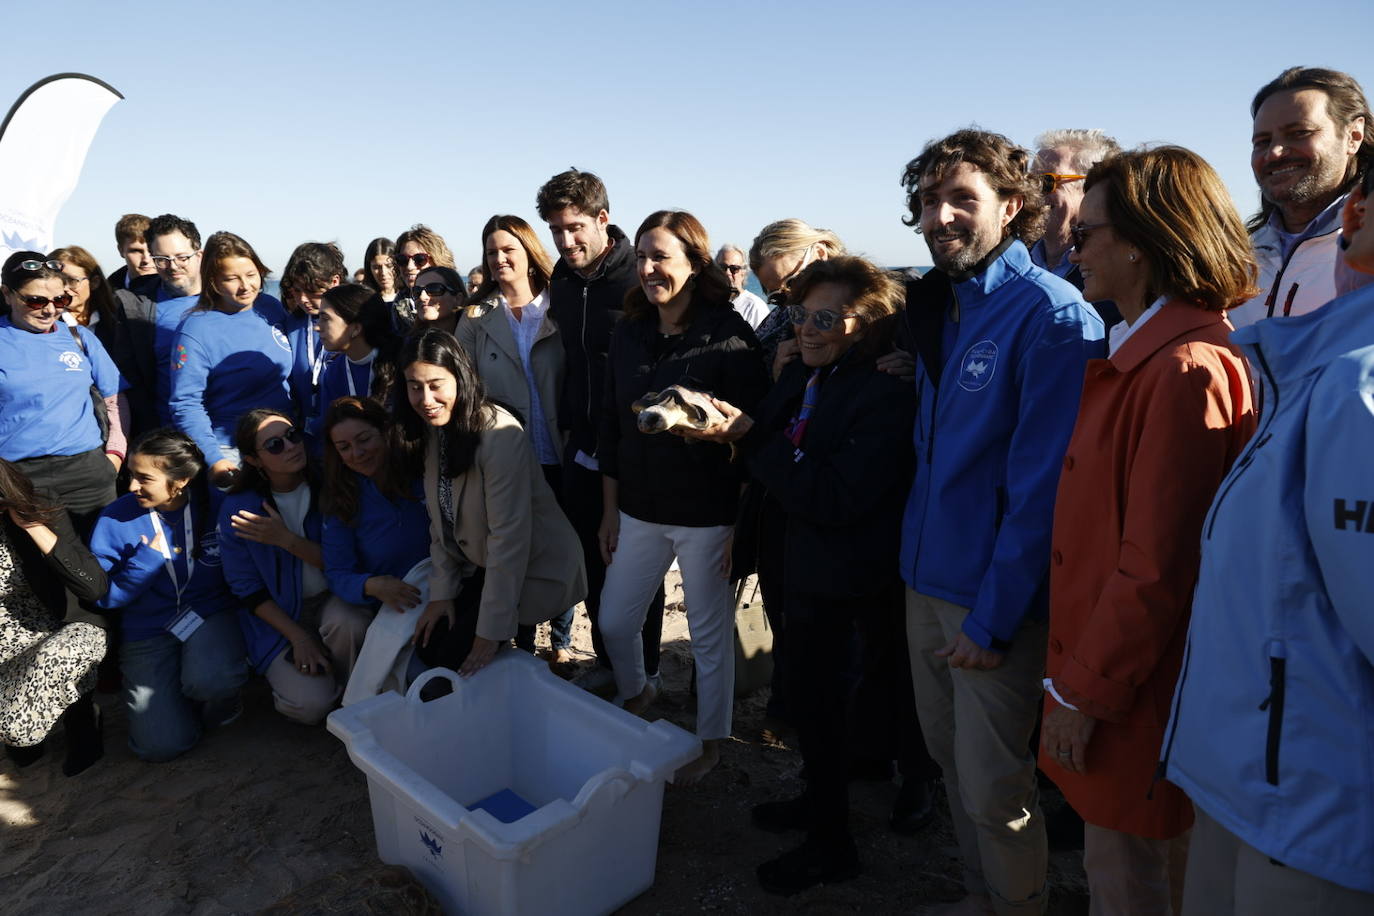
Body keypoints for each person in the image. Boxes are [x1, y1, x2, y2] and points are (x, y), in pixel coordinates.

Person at [1039, 147, 1258, 915]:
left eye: (1087, 233)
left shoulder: (1183, 370)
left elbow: (1160, 566)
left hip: (1140, 700)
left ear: (1140, 240)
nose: (1074, 248)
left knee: (1138, 885)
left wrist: (1082, 693)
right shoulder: (1158, 359)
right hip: (1130, 686)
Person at [679, 255, 935, 892]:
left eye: (826, 318)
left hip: (846, 580)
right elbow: (763, 448)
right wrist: (728, 425)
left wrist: (750, 437)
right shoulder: (800, 374)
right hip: (792, 566)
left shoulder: (885, 392)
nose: (807, 329)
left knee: (832, 707)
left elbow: (835, 496)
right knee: (807, 703)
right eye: (799, 315)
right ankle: (818, 803)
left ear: (867, 324)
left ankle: (833, 843)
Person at [899, 129, 1105, 916]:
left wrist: (991, 620)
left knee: (996, 785)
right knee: (950, 764)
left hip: (991, 600)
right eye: (928, 200)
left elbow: (1045, 491)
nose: (940, 215)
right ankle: (980, 897)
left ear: (1012, 205)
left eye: (962, 199)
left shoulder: (1051, 316)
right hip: (924, 578)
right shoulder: (942, 304)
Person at [1159, 168, 1374, 916]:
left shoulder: (1358, 384)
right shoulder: (1310, 368)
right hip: (1254, 770)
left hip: (1317, 797)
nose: (1355, 210)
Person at [597, 210, 770, 783]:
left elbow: (754, 437)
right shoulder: (627, 332)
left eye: (662, 256)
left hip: (707, 513)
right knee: (616, 623)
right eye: (642, 256)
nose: (648, 268)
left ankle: (711, 739)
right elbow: (612, 428)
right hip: (639, 507)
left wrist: (742, 529)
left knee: (708, 636)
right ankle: (637, 691)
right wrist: (608, 509)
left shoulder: (729, 336)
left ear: (695, 264)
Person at [537, 167, 666, 692]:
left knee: (638, 568)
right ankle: (613, 665)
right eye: (556, 231)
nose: (566, 241)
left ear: (603, 220)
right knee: (593, 557)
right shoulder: (563, 283)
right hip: (581, 447)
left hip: (637, 450)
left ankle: (649, 669)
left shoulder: (637, 277)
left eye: (575, 227)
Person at [397, 328, 586, 679]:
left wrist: (490, 632)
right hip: (481, 562)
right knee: (429, 643)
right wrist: (441, 595)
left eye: (436, 384)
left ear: (461, 377)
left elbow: (509, 540)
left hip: (532, 562)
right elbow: (441, 524)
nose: (425, 398)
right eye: (414, 385)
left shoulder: (499, 434)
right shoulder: (434, 429)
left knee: (458, 656)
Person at [90, 429, 248, 763]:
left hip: (208, 615)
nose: (132, 486)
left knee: (212, 681)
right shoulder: (115, 518)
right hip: (147, 632)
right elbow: (104, 598)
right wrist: (143, 564)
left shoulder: (219, 507)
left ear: (182, 481)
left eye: (144, 478)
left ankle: (215, 699)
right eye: (132, 475)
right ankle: (175, 708)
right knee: (160, 746)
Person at [458, 215, 574, 661]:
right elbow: (466, 390)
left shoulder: (560, 307)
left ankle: (561, 643)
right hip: (508, 456)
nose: (500, 258)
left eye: (509, 249)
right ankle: (521, 644)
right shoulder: (476, 318)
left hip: (560, 450)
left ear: (529, 252)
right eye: (491, 252)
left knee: (562, 547)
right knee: (516, 551)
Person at [218, 408, 372, 724]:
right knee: (312, 707)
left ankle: (352, 694)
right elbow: (246, 589)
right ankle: (315, 682)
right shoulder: (239, 509)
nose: (290, 447)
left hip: (333, 600)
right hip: (280, 618)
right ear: (254, 460)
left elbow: (344, 565)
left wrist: (286, 540)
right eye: (274, 445)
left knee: (349, 624)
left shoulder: (330, 485)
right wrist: (298, 637)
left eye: (292, 436)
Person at [1229, 67, 1373, 326]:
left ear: (1353, 136)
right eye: (1262, 141)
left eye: (1299, 133)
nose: (1274, 153)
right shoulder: (1238, 259)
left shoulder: (1364, 253)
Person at [0, 253, 128, 538]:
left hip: (88, 474)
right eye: (35, 301)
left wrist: (115, 457)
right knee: (43, 576)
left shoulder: (79, 337)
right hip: (20, 478)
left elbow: (114, 399)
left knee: (99, 568)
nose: (49, 310)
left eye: (60, 301)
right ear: (7, 294)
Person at [0, 458, 108, 776]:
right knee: (21, 746)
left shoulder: (38, 502)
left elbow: (93, 587)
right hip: (10, 633)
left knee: (20, 727)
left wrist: (32, 526)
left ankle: (82, 717)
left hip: (65, 625)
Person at [168, 232, 293, 488]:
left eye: (251, 275)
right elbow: (186, 403)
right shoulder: (196, 330)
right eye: (232, 278)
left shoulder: (270, 307)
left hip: (286, 439)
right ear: (213, 281)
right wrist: (214, 458)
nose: (245, 286)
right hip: (234, 449)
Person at [320, 397, 429, 622]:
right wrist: (371, 585)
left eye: (364, 439)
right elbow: (337, 573)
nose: (357, 453)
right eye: (345, 448)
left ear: (385, 431)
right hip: (390, 609)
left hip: (444, 592)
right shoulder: (342, 499)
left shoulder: (423, 472)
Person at [1030, 129, 1123, 329]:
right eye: (1029, 182)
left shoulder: (1117, 274)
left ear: (1091, 188)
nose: (1031, 193)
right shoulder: (1015, 264)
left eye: (1046, 182)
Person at [747, 219, 846, 370]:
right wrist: (778, 377)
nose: (792, 300)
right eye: (778, 297)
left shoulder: (870, 305)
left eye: (792, 283)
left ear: (820, 253)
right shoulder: (777, 325)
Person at [146, 214, 207, 423]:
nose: (173, 266)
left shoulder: (227, 298)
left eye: (182, 257)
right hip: (169, 433)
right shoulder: (138, 306)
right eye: (162, 260)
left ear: (200, 255)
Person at [280, 242, 346, 420]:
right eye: (297, 290)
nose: (303, 299)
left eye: (311, 291)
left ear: (334, 281)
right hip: (306, 433)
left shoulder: (355, 322)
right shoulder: (293, 324)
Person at [314, 284, 402, 415]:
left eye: (325, 319)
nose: (317, 327)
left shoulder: (401, 362)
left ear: (355, 329)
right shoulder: (334, 373)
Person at [714, 244, 770, 328]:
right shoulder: (707, 304)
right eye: (722, 267)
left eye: (734, 269)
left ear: (743, 272)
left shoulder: (754, 307)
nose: (728, 273)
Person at [107, 213, 159, 294]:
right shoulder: (105, 295)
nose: (146, 259)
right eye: (136, 251)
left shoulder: (178, 291)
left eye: (151, 251)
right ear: (121, 250)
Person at [412, 264, 467, 336]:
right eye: (417, 291)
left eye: (434, 289)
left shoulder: (479, 340)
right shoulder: (409, 343)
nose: (422, 297)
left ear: (458, 299)